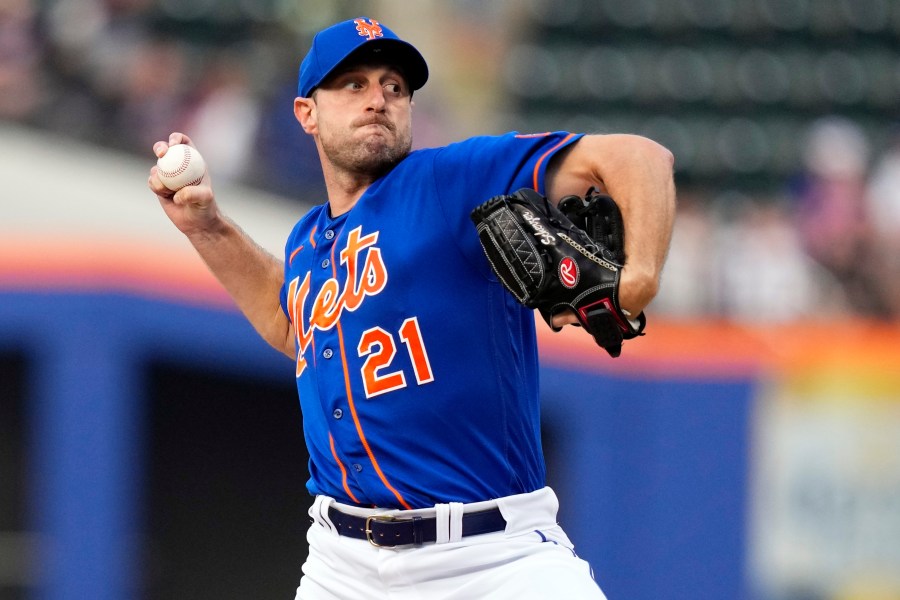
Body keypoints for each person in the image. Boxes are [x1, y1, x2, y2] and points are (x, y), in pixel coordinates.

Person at [148, 16, 675, 600]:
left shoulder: (450, 181)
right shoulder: (306, 240)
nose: (378, 99)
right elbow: (288, 321)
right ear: (306, 113)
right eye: (354, 84)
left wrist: (640, 278)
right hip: (340, 564)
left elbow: (638, 156)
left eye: (394, 87)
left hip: (491, 557)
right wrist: (207, 227)